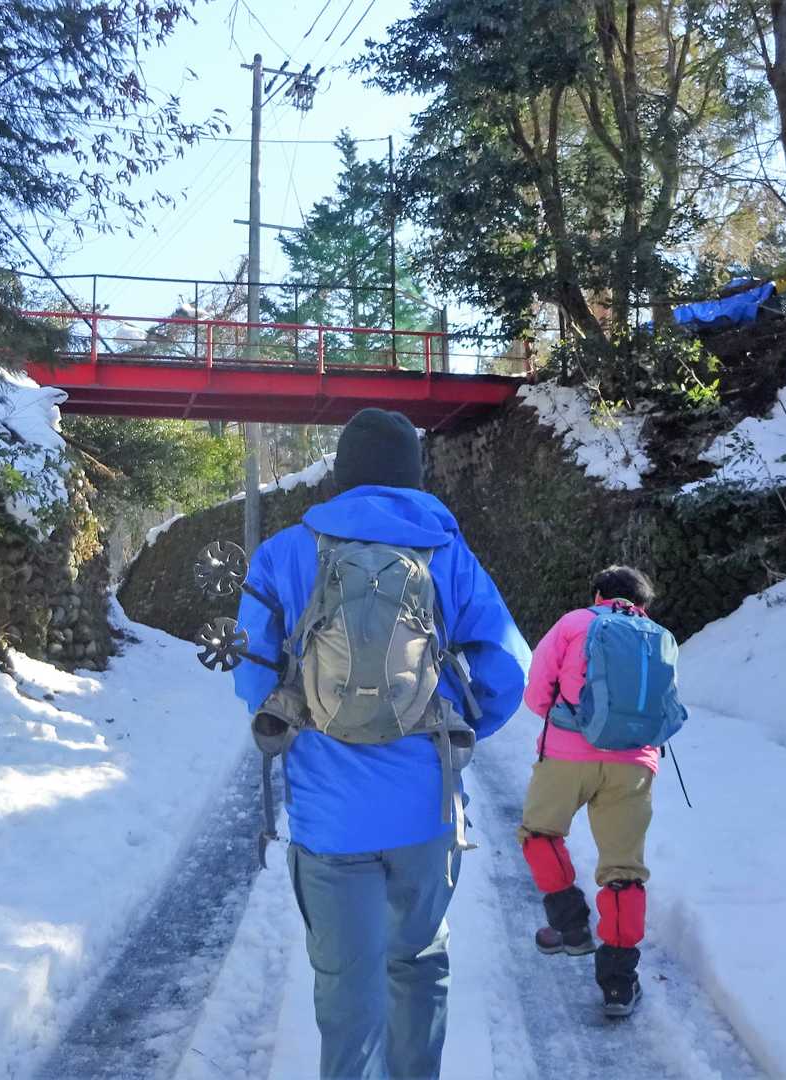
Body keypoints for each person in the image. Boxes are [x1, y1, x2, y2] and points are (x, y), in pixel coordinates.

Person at [233, 407, 528, 1080]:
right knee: (417, 963)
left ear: (342, 474)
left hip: (328, 815)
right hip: (425, 809)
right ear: (412, 474)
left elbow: (251, 678)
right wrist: (453, 725)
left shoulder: (284, 552)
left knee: (346, 985)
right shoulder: (446, 552)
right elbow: (510, 669)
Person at [517, 565, 671, 1019]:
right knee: (625, 872)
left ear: (599, 594)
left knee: (540, 834)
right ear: (643, 602)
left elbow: (536, 695)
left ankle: (571, 926)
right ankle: (619, 984)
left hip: (567, 756)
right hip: (634, 764)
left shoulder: (573, 623)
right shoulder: (658, 637)